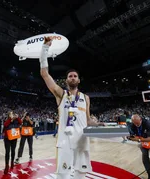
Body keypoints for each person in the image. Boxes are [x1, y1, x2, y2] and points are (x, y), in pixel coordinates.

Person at [39, 37, 103, 179]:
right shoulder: (60, 95)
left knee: (81, 175)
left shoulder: (85, 98)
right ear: (66, 80)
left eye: (75, 76)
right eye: (70, 76)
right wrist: (45, 49)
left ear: (78, 80)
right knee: (63, 176)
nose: (72, 77)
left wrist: (98, 124)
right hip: (65, 142)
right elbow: (44, 74)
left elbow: (87, 120)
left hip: (81, 141)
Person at [127, 114, 150, 179]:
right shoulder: (132, 126)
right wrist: (130, 138)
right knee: (145, 158)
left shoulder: (148, 123)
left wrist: (138, 139)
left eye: (137, 123)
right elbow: (133, 136)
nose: (136, 124)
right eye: (134, 123)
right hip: (143, 142)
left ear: (141, 120)